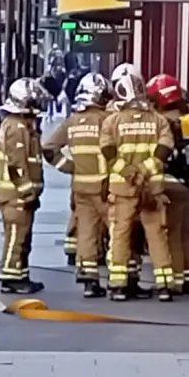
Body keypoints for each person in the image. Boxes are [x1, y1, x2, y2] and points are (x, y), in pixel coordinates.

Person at [101, 63, 176, 302]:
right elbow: (165, 149)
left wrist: (131, 174)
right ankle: (164, 285)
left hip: (123, 189)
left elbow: (109, 153)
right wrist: (145, 172)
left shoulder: (111, 122)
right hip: (152, 189)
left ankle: (119, 284)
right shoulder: (158, 120)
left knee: (120, 235)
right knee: (156, 235)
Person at [42, 73, 113, 298]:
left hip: (81, 187)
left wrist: (70, 167)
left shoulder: (72, 121)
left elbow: (48, 148)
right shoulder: (107, 120)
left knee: (87, 232)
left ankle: (89, 279)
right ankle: (124, 278)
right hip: (106, 187)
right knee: (120, 231)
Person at [146, 74, 189, 294]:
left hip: (170, 183)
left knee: (171, 232)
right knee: (186, 232)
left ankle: (176, 280)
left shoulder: (160, 120)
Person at [0, 77, 48, 295]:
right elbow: (17, 163)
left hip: (19, 193)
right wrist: (27, 192)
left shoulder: (20, 125)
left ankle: (21, 274)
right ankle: (10, 277)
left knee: (22, 237)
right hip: (15, 194)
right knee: (16, 236)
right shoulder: (16, 127)